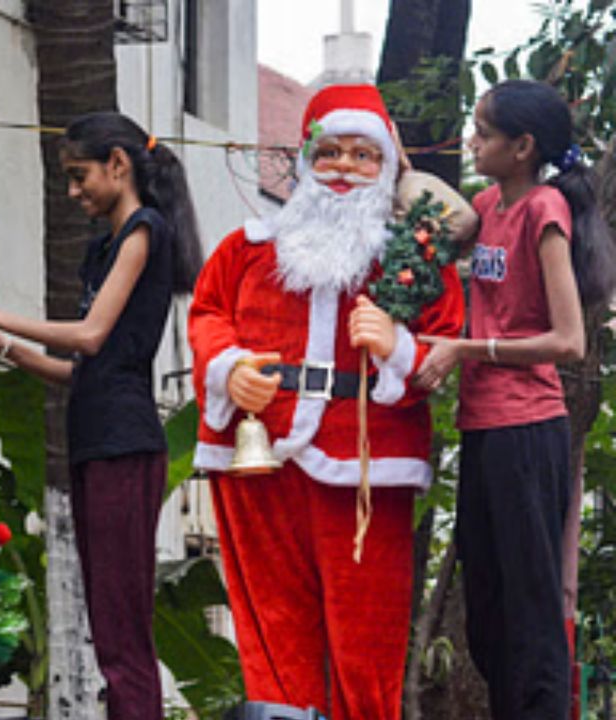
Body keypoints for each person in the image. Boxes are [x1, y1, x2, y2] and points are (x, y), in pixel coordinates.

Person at [190, 84, 471, 720]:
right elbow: (208, 313)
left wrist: (396, 345)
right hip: (257, 456)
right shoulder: (247, 248)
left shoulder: (416, 262)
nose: (344, 168)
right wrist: (230, 367)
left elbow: (443, 346)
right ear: (306, 159)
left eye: (363, 155)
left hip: (366, 466)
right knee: (271, 628)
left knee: (365, 636)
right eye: (330, 152)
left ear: (387, 169)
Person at [0, 111, 201, 720]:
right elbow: (82, 370)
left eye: (80, 176)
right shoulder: (105, 246)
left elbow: (89, 334)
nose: (74, 191)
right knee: (108, 629)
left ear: (119, 164)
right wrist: (7, 350)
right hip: (96, 439)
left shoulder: (143, 230)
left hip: (123, 445)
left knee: (122, 636)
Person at [413, 79, 616, 719]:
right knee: (490, 617)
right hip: (484, 427)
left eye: (484, 131)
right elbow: (429, 228)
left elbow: (569, 340)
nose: (471, 140)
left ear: (523, 146)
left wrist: (467, 350)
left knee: (529, 616)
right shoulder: (492, 206)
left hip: (529, 431)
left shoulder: (545, 211)